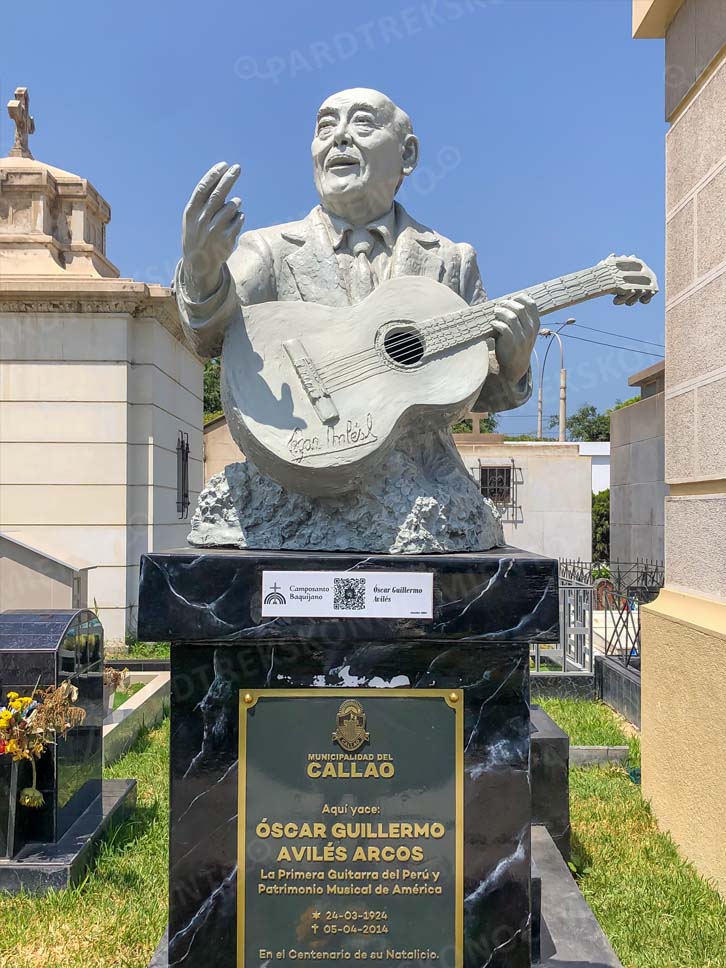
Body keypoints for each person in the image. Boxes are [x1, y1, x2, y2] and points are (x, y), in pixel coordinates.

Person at [174, 88, 540, 552]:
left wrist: (511, 364)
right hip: (297, 475)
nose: (339, 138)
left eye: (362, 123)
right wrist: (202, 273)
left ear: (407, 154)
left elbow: (469, 391)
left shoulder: (451, 260)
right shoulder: (270, 251)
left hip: (424, 497)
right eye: (325, 126)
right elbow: (209, 338)